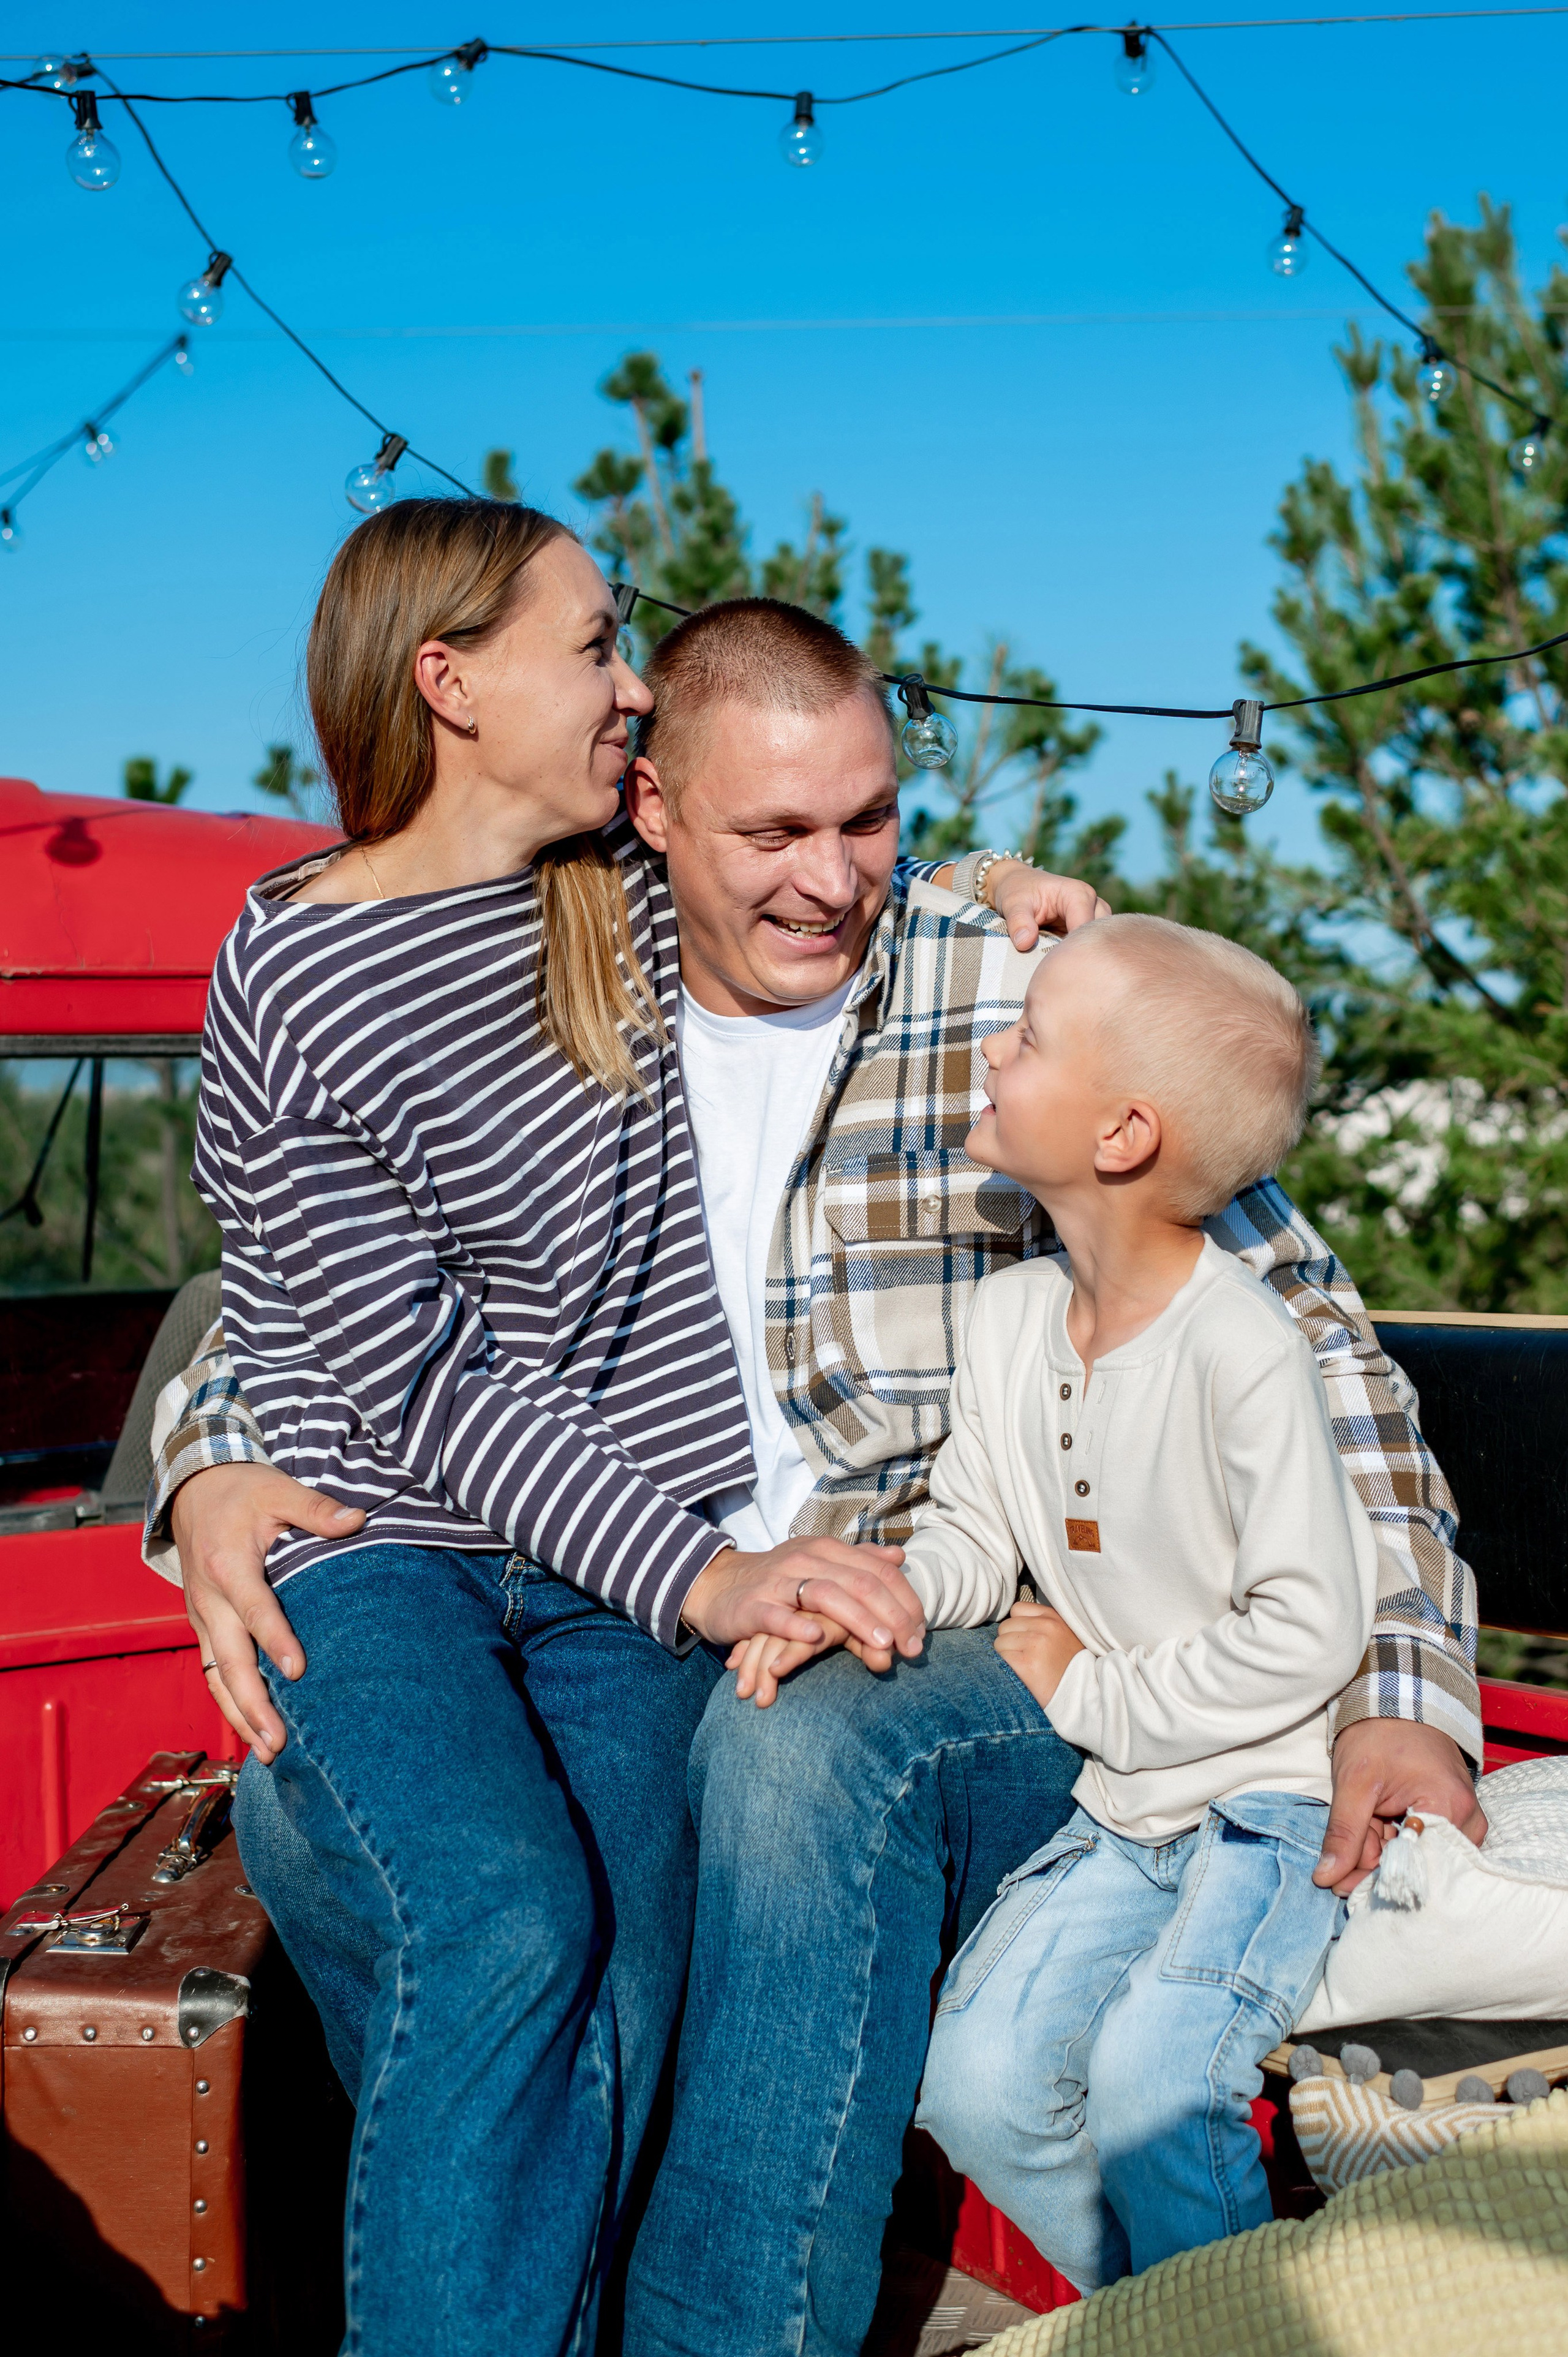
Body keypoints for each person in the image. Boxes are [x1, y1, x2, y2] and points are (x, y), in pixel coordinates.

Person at [153, 596, 1485, 2357]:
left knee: (795, 1747)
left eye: (869, 820)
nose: (833, 880)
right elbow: (327, 1269)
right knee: (359, 1831)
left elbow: (1319, 1348)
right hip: (611, 1592)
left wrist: (1411, 1691)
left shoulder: (1016, 1002)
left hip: (959, 1631)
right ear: (653, 809)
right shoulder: (549, 968)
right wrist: (208, 1460)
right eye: (773, 831)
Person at [178, 507, 936, 2357]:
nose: (633, 686)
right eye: (598, 646)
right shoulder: (294, 968)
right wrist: (708, 1571)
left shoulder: (613, 905)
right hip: (386, 1553)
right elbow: (401, 1372)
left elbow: (815, 861)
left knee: (631, 1982)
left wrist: (1009, 884)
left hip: (606, 1580)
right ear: (451, 682)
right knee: (507, 1924)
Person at [899, 916, 1378, 2289]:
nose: (994, 1045)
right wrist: (891, 1589)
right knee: (975, 2085)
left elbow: (1305, 1628)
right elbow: (974, 1532)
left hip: (1262, 1804)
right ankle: (1169, 2314)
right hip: (1124, 1806)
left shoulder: (1240, 1344)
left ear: (1120, 1134)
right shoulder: (1009, 1322)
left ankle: (1232, 2322)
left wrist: (1083, 1689)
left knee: (1153, 2083)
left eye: (1030, 1035)